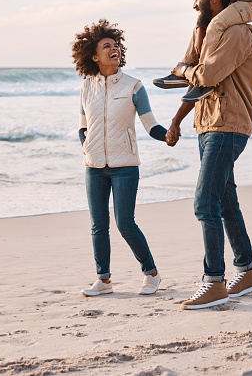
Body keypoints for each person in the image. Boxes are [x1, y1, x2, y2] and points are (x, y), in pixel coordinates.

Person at [166, 0, 252, 310]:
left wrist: (182, 69)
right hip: (207, 125)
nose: (194, 3)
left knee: (204, 203)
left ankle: (214, 282)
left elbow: (203, 75)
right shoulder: (208, 32)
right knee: (224, 203)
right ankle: (248, 272)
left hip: (229, 126)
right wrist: (177, 120)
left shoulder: (238, 33)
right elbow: (194, 75)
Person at [72, 19, 167, 297]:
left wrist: (168, 135)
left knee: (125, 222)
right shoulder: (87, 86)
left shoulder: (134, 86)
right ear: (94, 55)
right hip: (94, 167)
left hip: (125, 166)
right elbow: (82, 125)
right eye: (107, 46)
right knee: (98, 225)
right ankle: (103, 280)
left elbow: (151, 125)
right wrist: (86, 146)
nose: (114, 50)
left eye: (116, 46)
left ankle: (151, 273)